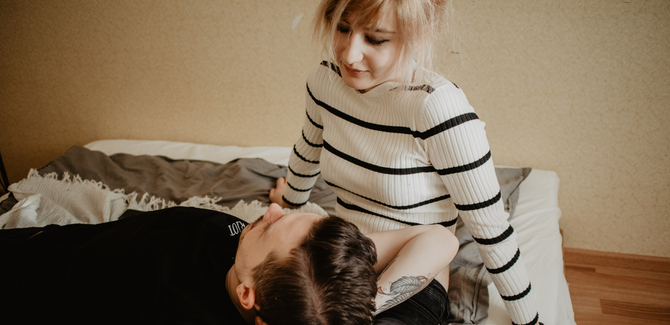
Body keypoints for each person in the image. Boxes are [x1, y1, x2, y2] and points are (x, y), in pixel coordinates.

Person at [269, 0, 542, 324]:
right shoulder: (324, 81)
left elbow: (492, 231)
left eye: (375, 38)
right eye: (342, 29)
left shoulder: (438, 109)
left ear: (419, 35)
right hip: (340, 260)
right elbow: (308, 148)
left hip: (413, 279)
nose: (348, 54)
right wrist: (288, 204)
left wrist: (531, 321)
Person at [0, 204, 457, 325]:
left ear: (247, 294)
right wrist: (359, 307)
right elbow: (438, 238)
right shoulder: (306, 277)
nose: (272, 211)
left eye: (266, 227)